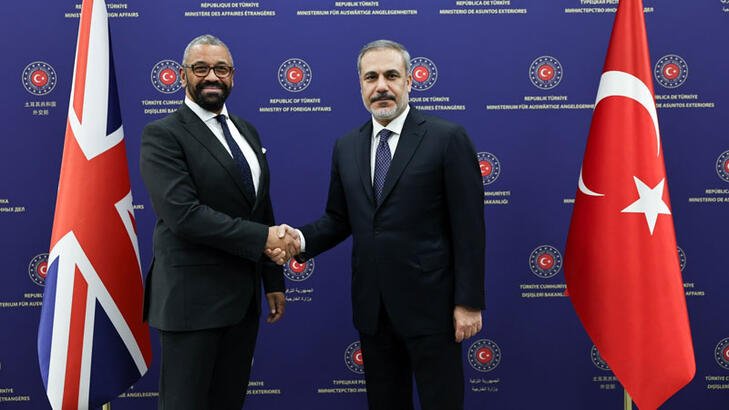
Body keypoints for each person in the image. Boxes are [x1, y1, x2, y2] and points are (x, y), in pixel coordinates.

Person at [283, 39, 485, 410]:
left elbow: (469, 228)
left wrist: (468, 303)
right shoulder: (347, 146)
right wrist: (298, 240)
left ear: (409, 81)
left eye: (391, 76)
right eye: (371, 77)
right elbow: (338, 219)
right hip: (373, 311)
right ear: (360, 85)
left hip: (434, 311)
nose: (381, 86)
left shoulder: (446, 138)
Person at [139, 34, 299, 410]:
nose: (212, 76)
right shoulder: (162, 135)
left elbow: (260, 207)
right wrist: (264, 238)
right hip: (191, 304)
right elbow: (184, 215)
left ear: (232, 76)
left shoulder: (247, 131)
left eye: (221, 69)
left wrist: (273, 279)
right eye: (201, 68)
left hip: (242, 301)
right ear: (183, 76)